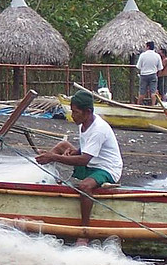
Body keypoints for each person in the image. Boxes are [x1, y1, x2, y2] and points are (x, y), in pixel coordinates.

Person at [35, 90, 123, 227]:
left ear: (87, 112)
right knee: (63, 145)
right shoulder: (84, 124)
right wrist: (74, 151)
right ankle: (43, 180)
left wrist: (54, 157)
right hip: (92, 162)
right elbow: (87, 148)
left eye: (75, 112)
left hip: (107, 169)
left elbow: (84, 160)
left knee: (85, 186)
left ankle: (84, 229)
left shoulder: (98, 129)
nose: (72, 115)